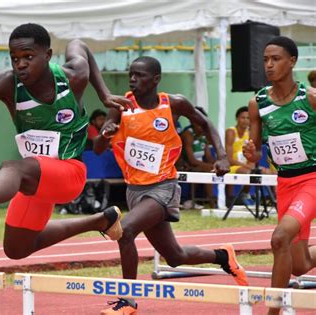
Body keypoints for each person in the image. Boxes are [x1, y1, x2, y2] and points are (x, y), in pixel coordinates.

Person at [0, 23, 133, 260]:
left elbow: (79, 44)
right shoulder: (7, 83)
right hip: (36, 180)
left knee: (14, 167)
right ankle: (101, 220)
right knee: (16, 249)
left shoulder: (73, 77)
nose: (20, 64)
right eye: (14, 58)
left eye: (28, 57)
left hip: (69, 173)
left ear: (48, 55)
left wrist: (104, 95)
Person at [94, 56, 248, 315]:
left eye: (139, 75)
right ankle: (222, 256)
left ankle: (127, 302)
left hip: (163, 186)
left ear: (155, 79)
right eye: (131, 74)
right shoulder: (120, 106)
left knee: (126, 230)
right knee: (175, 256)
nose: (132, 79)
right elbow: (98, 149)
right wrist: (105, 132)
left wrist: (221, 155)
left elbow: (205, 123)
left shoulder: (173, 103)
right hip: (135, 189)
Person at [243, 36, 316, 315]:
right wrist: (251, 154)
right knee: (299, 264)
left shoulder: (309, 98)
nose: (269, 65)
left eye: (276, 59)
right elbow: (255, 151)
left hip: (312, 180)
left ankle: (273, 311)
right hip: (284, 183)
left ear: (292, 61)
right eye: (265, 60)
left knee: (278, 239)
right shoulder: (258, 102)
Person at [180, 107, 217, 209]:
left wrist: (217, 163)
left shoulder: (204, 134)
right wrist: (210, 166)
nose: (201, 125)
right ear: (192, 121)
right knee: (208, 169)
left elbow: (209, 157)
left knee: (217, 169)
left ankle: (222, 199)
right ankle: (211, 202)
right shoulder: (188, 134)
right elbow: (192, 160)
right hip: (186, 165)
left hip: (199, 165)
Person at [225, 106, 255, 205]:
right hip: (232, 165)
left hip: (244, 165)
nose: (245, 121)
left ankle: (272, 199)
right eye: (243, 118)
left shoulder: (250, 133)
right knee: (248, 172)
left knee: (267, 172)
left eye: (248, 118)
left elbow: (252, 154)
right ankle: (231, 198)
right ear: (237, 118)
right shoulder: (231, 132)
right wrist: (248, 166)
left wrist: (251, 164)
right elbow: (229, 159)